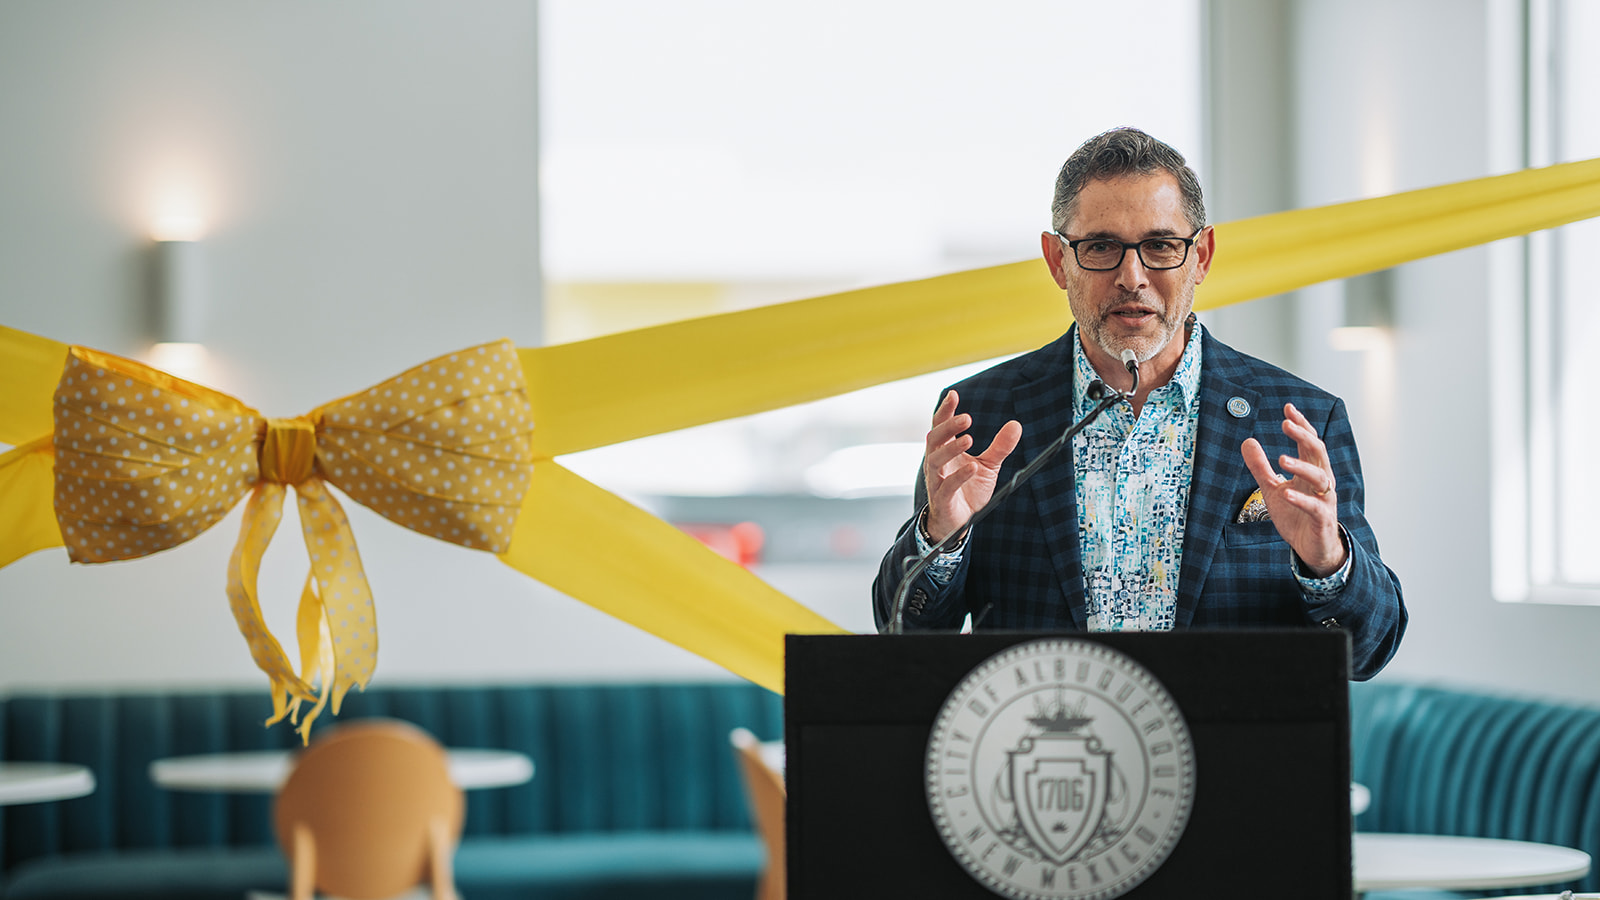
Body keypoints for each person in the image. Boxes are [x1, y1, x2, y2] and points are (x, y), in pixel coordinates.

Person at [871, 127, 1405, 680]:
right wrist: (941, 538)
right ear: (1058, 260)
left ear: (1201, 256)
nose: (1133, 277)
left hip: (1230, 758)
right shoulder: (978, 415)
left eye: (1161, 246)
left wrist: (1326, 561)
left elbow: (1369, 650)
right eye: (1100, 247)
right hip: (1047, 754)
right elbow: (900, 635)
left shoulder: (1299, 420)